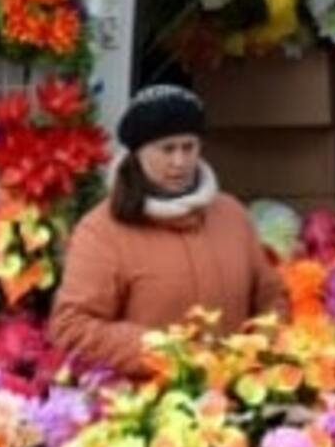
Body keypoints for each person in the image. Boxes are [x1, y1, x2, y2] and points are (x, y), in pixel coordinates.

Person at [50, 84, 287, 377]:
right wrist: (164, 351)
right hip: (147, 408)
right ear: (137, 153)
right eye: (167, 149)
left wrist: (260, 348)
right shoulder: (101, 231)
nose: (180, 161)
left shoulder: (232, 214)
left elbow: (271, 298)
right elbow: (71, 326)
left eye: (189, 147)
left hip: (236, 398)